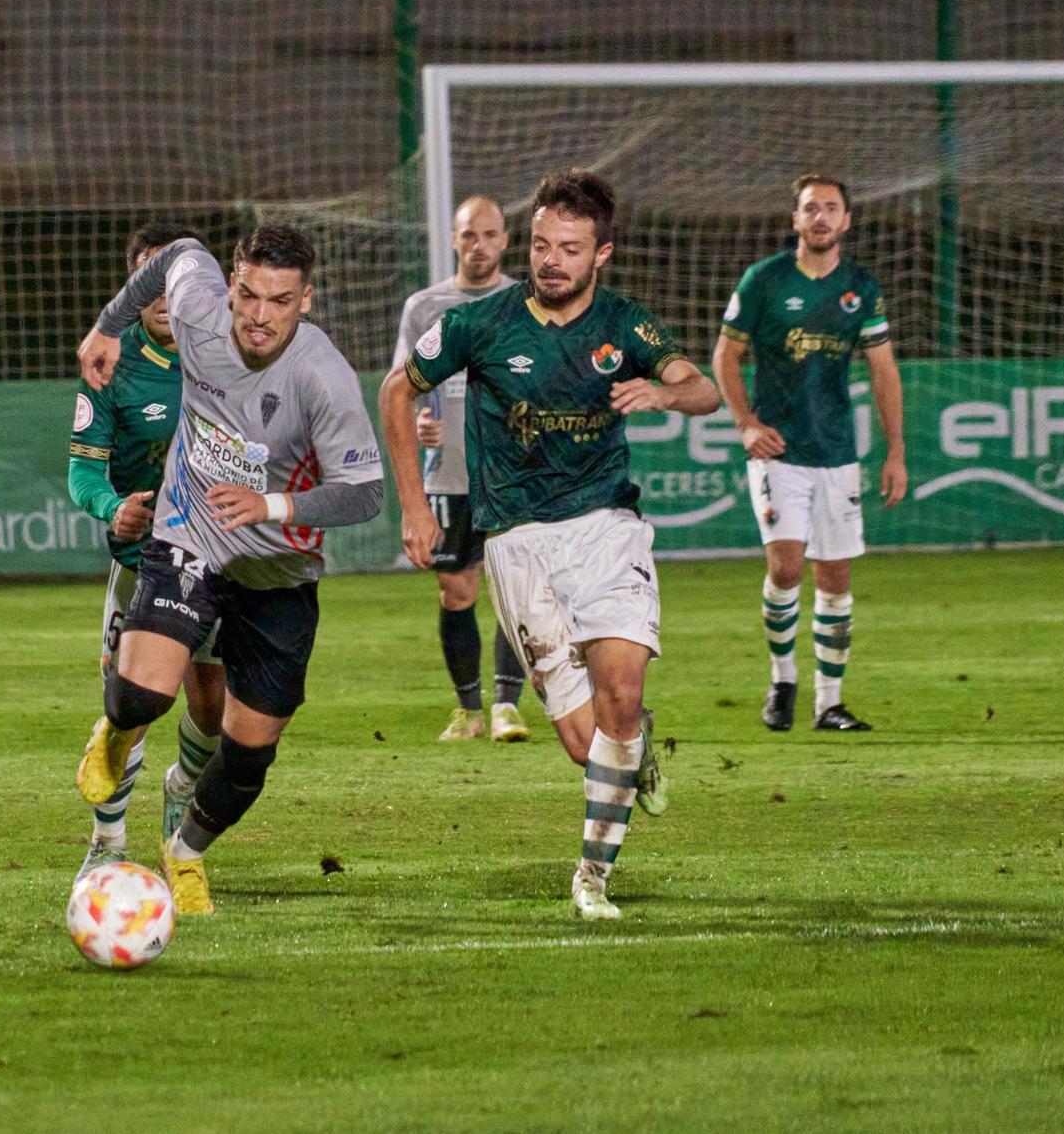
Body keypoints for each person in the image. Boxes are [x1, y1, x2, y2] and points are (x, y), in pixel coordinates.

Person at [381, 169, 720, 920]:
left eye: (569, 247)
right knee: (583, 740)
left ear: (602, 253)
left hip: (607, 528)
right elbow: (396, 390)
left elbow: (704, 388)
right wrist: (413, 507)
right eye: (540, 244)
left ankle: (592, 876)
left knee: (621, 699)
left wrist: (663, 390)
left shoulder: (626, 324)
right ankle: (634, 753)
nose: (550, 260)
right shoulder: (483, 323)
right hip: (517, 541)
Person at [74, 225, 383, 915]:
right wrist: (107, 327)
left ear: (306, 299)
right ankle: (117, 730)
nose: (258, 314)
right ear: (233, 283)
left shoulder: (321, 375)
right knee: (143, 695)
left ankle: (183, 854)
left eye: (279, 299)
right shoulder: (198, 310)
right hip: (192, 536)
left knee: (245, 757)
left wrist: (272, 503)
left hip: (278, 570)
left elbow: (365, 492)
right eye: (248, 293)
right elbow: (179, 254)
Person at [712, 173, 906, 733]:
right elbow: (726, 355)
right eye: (809, 208)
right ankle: (781, 678)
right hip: (777, 450)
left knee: (836, 575)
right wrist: (746, 423)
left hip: (838, 452)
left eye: (830, 208)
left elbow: (884, 370)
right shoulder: (764, 281)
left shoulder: (861, 289)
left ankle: (829, 702)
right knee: (786, 564)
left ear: (846, 221)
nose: (819, 217)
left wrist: (895, 452)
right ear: (794, 219)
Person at [67, 224, 227, 879]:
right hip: (141, 564)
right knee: (128, 703)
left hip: (214, 559)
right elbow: (83, 473)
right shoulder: (112, 365)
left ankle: (182, 789)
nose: (163, 293)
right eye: (148, 279)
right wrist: (114, 508)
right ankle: (107, 842)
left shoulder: (224, 352)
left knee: (212, 707)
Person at [387, 195, 530, 743]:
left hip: (514, 474)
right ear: (454, 239)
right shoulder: (425, 306)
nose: (480, 245)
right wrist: (423, 417)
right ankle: (470, 709)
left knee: (516, 589)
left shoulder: (525, 301)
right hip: (449, 475)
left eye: (490, 235)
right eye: (469, 235)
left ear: (505, 240)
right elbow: (405, 388)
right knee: (456, 590)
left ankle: (507, 708)